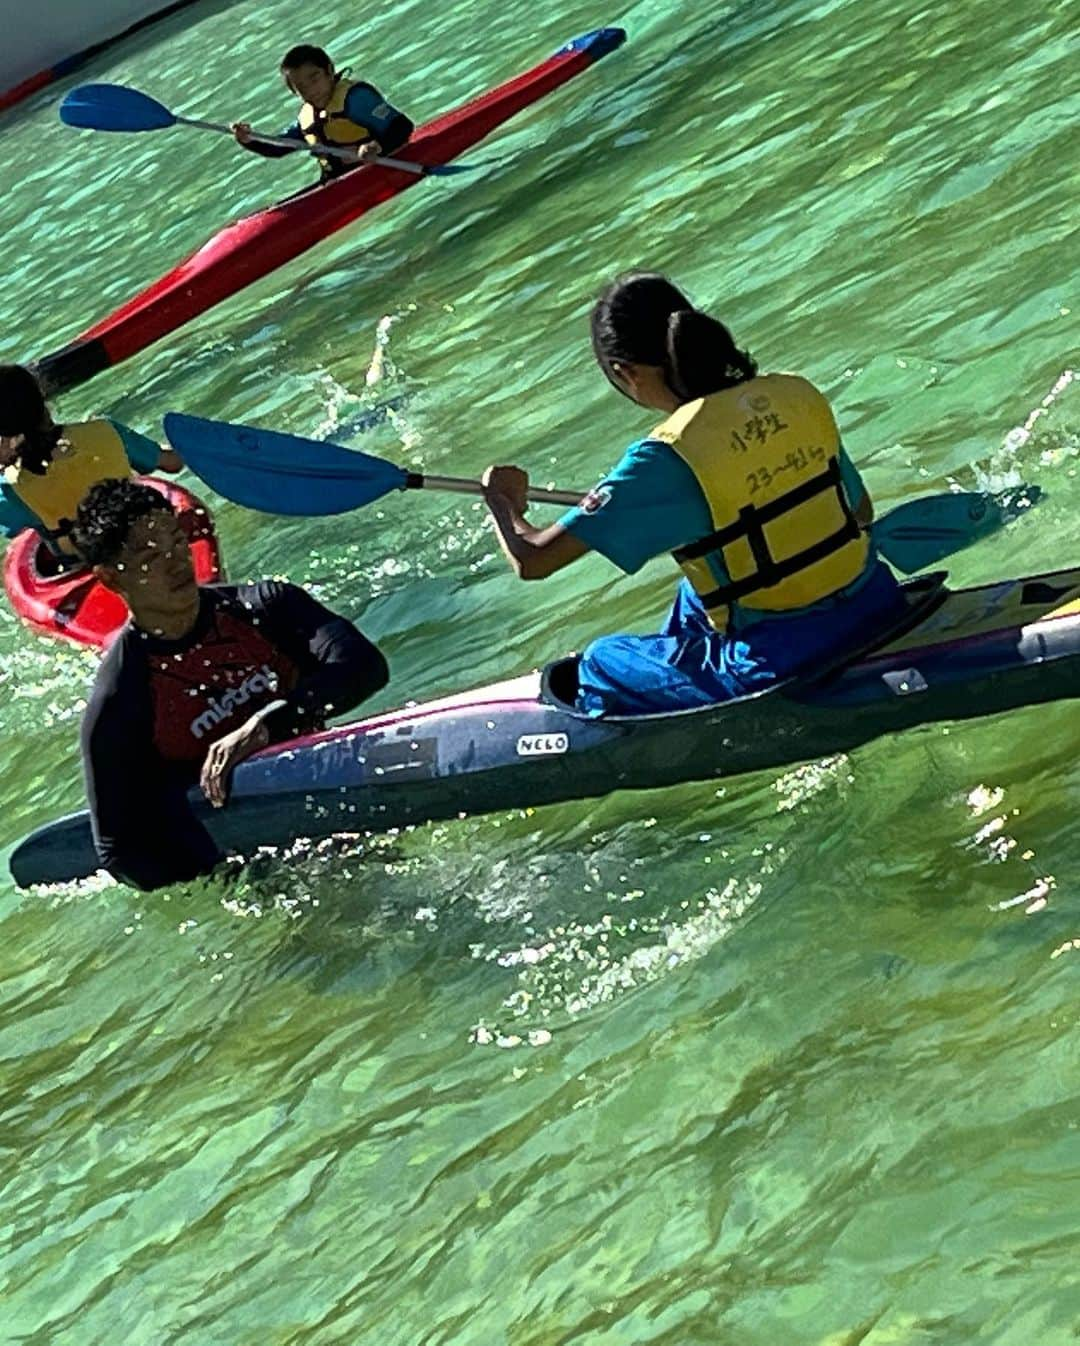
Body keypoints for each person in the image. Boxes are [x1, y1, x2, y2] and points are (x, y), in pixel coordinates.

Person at [480, 272, 909, 717]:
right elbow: (859, 511)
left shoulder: (663, 459)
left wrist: (502, 502)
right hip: (875, 599)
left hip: (784, 657)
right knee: (693, 595)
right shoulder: (795, 393)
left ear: (623, 373)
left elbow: (533, 559)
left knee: (602, 662)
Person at [73, 478, 390, 891]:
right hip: (258, 864)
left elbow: (366, 667)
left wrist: (268, 725)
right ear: (112, 579)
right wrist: (237, 870)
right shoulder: (123, 693)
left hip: (335, 794)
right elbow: (120, 851)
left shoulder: (264, 608)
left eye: (176, 541)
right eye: (151, 555)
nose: (176, 562)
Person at [0, 364, 183, 562]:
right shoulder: (105, 430)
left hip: (83, 562)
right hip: (142, 535)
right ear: (42, 397)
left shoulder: (11, 487)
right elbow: (173, 463)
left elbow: (14, 527)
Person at [232, 44, 414, 182]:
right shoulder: (308, 118)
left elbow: (402, 126)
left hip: (384, 167)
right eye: (301, 87)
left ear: (329, 70)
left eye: (314, 78)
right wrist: (248, 140)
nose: (311, 90)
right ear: (293, 92)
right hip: (337, 182)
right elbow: (277, 148)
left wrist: (376, 146)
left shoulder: (355, 99)